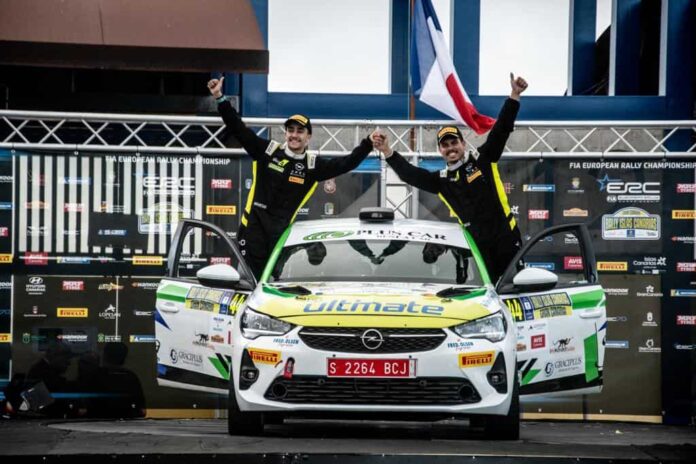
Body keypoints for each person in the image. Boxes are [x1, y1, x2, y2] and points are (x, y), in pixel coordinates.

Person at [208, 77, 376, 279]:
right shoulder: (267, 151)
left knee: (273, 281)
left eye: (300, 131)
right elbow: (238, 128)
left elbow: (347, 163)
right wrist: (219, 97)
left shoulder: (312, 166)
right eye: (290, 130)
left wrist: (368, 144)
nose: (294, 135)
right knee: (250, 281)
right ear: (285, 133)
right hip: (253, 229)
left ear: (308, 137)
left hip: (280, 235)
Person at [373, 73, 528, 283]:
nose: (450, 148)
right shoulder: (441, 180)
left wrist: (514, 96)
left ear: (463, 144)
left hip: (506, 239)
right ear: (440, 150)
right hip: (477, 247)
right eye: (445, 145)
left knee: (518, 289)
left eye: (454, 142)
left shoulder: (484, 160)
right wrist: (387, 151)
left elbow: (501, 130)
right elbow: (410, 174)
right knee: (488, 293)